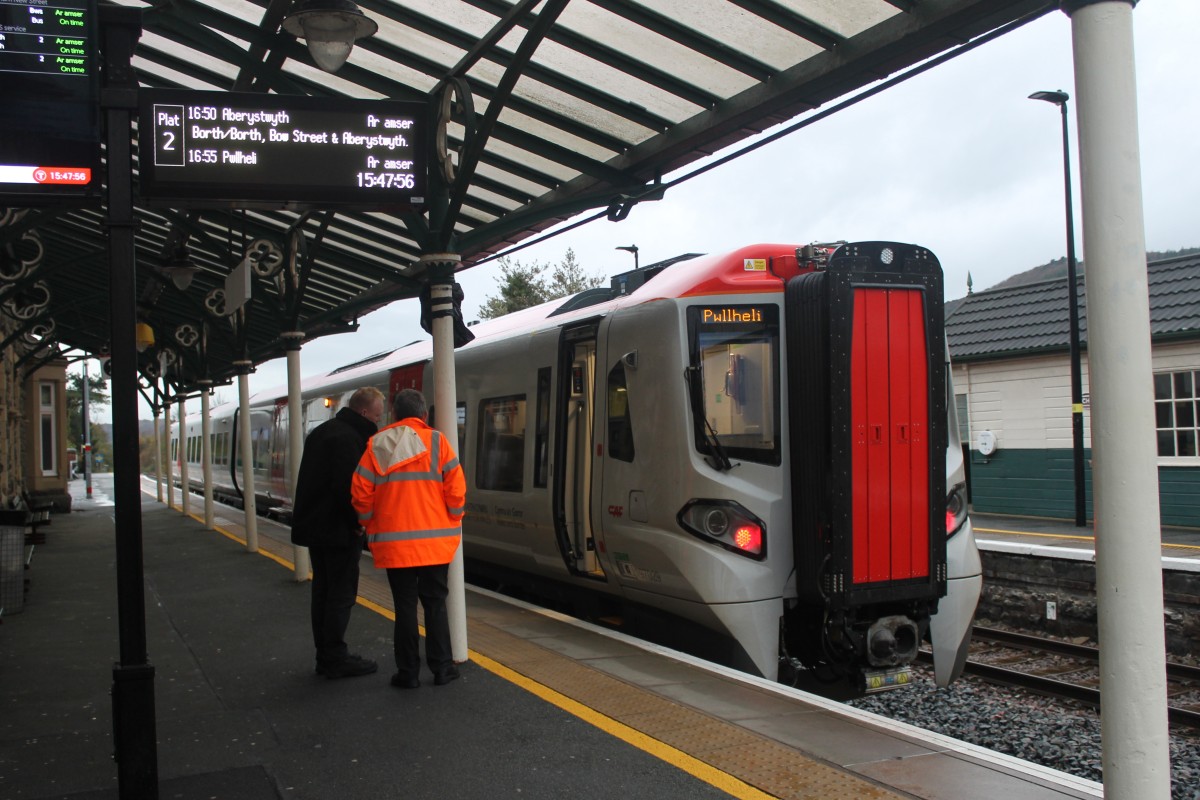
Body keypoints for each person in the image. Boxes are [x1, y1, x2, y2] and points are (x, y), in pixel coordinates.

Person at [352, 388, 466, 689]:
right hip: (435, 544)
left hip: (394, 544)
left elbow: (360, 494)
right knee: (435, 604)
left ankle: (408, 674)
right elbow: (456, 489)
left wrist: (370, 523)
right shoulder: (438, 442)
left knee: (404, 607)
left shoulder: (377, 445)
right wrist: (453, 517)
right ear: (424, 415)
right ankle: (442, 669)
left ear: (394, 413)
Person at [291, 386, 385, 679]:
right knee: (341, 594)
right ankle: (334, 657)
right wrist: (358, 522)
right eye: (378, 415)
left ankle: (326, 654)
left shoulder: (323, 432)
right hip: (338, 530)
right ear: (365, 412)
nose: (379, 421)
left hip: (316, 528)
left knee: (323, 591)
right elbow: (348, 489)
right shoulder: (350, 439)